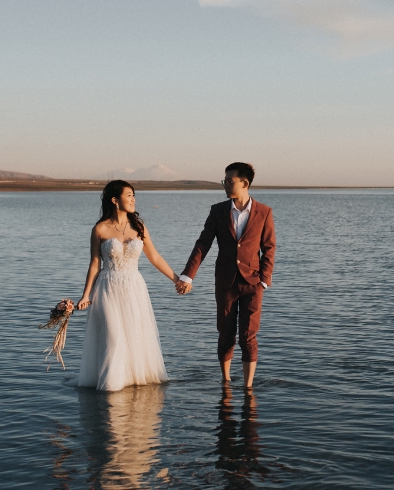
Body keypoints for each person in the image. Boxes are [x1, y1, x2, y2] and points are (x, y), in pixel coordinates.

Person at [176, 162, 276, 389]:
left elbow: (269, 248)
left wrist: (264, 280)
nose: (225, 185)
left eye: (229, 182)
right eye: (225, 181)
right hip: (225, 283)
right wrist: (188, 275)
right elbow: (203, 244)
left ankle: (249, 387)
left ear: (245, 183)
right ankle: (226, 381)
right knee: (226, 334)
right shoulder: (218, 211)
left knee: (248, 336)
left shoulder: (264, 212)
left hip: (253, 283)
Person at [76, 179, 180, 391]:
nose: (133, 199)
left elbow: (155, 257)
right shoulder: (100, 229)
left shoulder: (139, 227)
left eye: (134, 195)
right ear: (115, 200)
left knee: (133, 334)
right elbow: (95, 264)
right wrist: (86, 295)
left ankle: (132, 380)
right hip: (107, 287)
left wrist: (177, 279)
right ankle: (111, 385)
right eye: (129, 195)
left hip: (134, 287)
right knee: (113, 337)